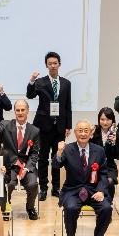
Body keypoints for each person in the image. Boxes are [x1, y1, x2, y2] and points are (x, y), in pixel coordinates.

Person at [56, 120, 112, 236]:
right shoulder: (68, 149)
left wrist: (101, 191)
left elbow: (104, 174)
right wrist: (59, 152)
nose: (83, 134)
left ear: (91, 133)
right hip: (73, 190)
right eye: (80, 131)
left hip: (94, 191)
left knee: (106, 208)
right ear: (75, 133)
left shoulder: (99, 151)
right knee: (70, 208)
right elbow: (56, 165)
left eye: (86, 131)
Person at [26, 51, 72, 199]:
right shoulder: (41, 82)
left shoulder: (66, 83)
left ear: (59, 64)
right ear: (46, 65)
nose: (52, 66)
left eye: (55, 63)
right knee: (43, 158)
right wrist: (32, 81)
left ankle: (56, 188)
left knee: (57, 157)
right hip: (43, 126)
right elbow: (30, 95)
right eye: (50, 63)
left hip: (60, 126)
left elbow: (68, 105)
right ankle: (44, 188)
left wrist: (68, 125)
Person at [0, 99, 40, 221]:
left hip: (26, 166)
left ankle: (30, 207)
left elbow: (34, 153)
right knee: (9, 183)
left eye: (23, 110)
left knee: (33, 184)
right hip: (10, 165)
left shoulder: (35, 131)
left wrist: (27, 168)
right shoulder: (5, 125)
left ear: (28, 111)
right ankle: (6, 206)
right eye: (18, 110)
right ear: (14, 112)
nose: (20, 113)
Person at [90, 107, 119, 204]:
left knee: (109, 181)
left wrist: (114, 144)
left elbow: (116, 155)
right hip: (94, 165)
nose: (105, 122)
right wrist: (90, 136)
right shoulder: (94, 131)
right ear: (99, 120)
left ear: (112, 120)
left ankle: (108, 204)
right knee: (92, 180)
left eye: (108, 119)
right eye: (102, 119)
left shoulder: (116, 133)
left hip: (109, 167)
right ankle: (96, 202)